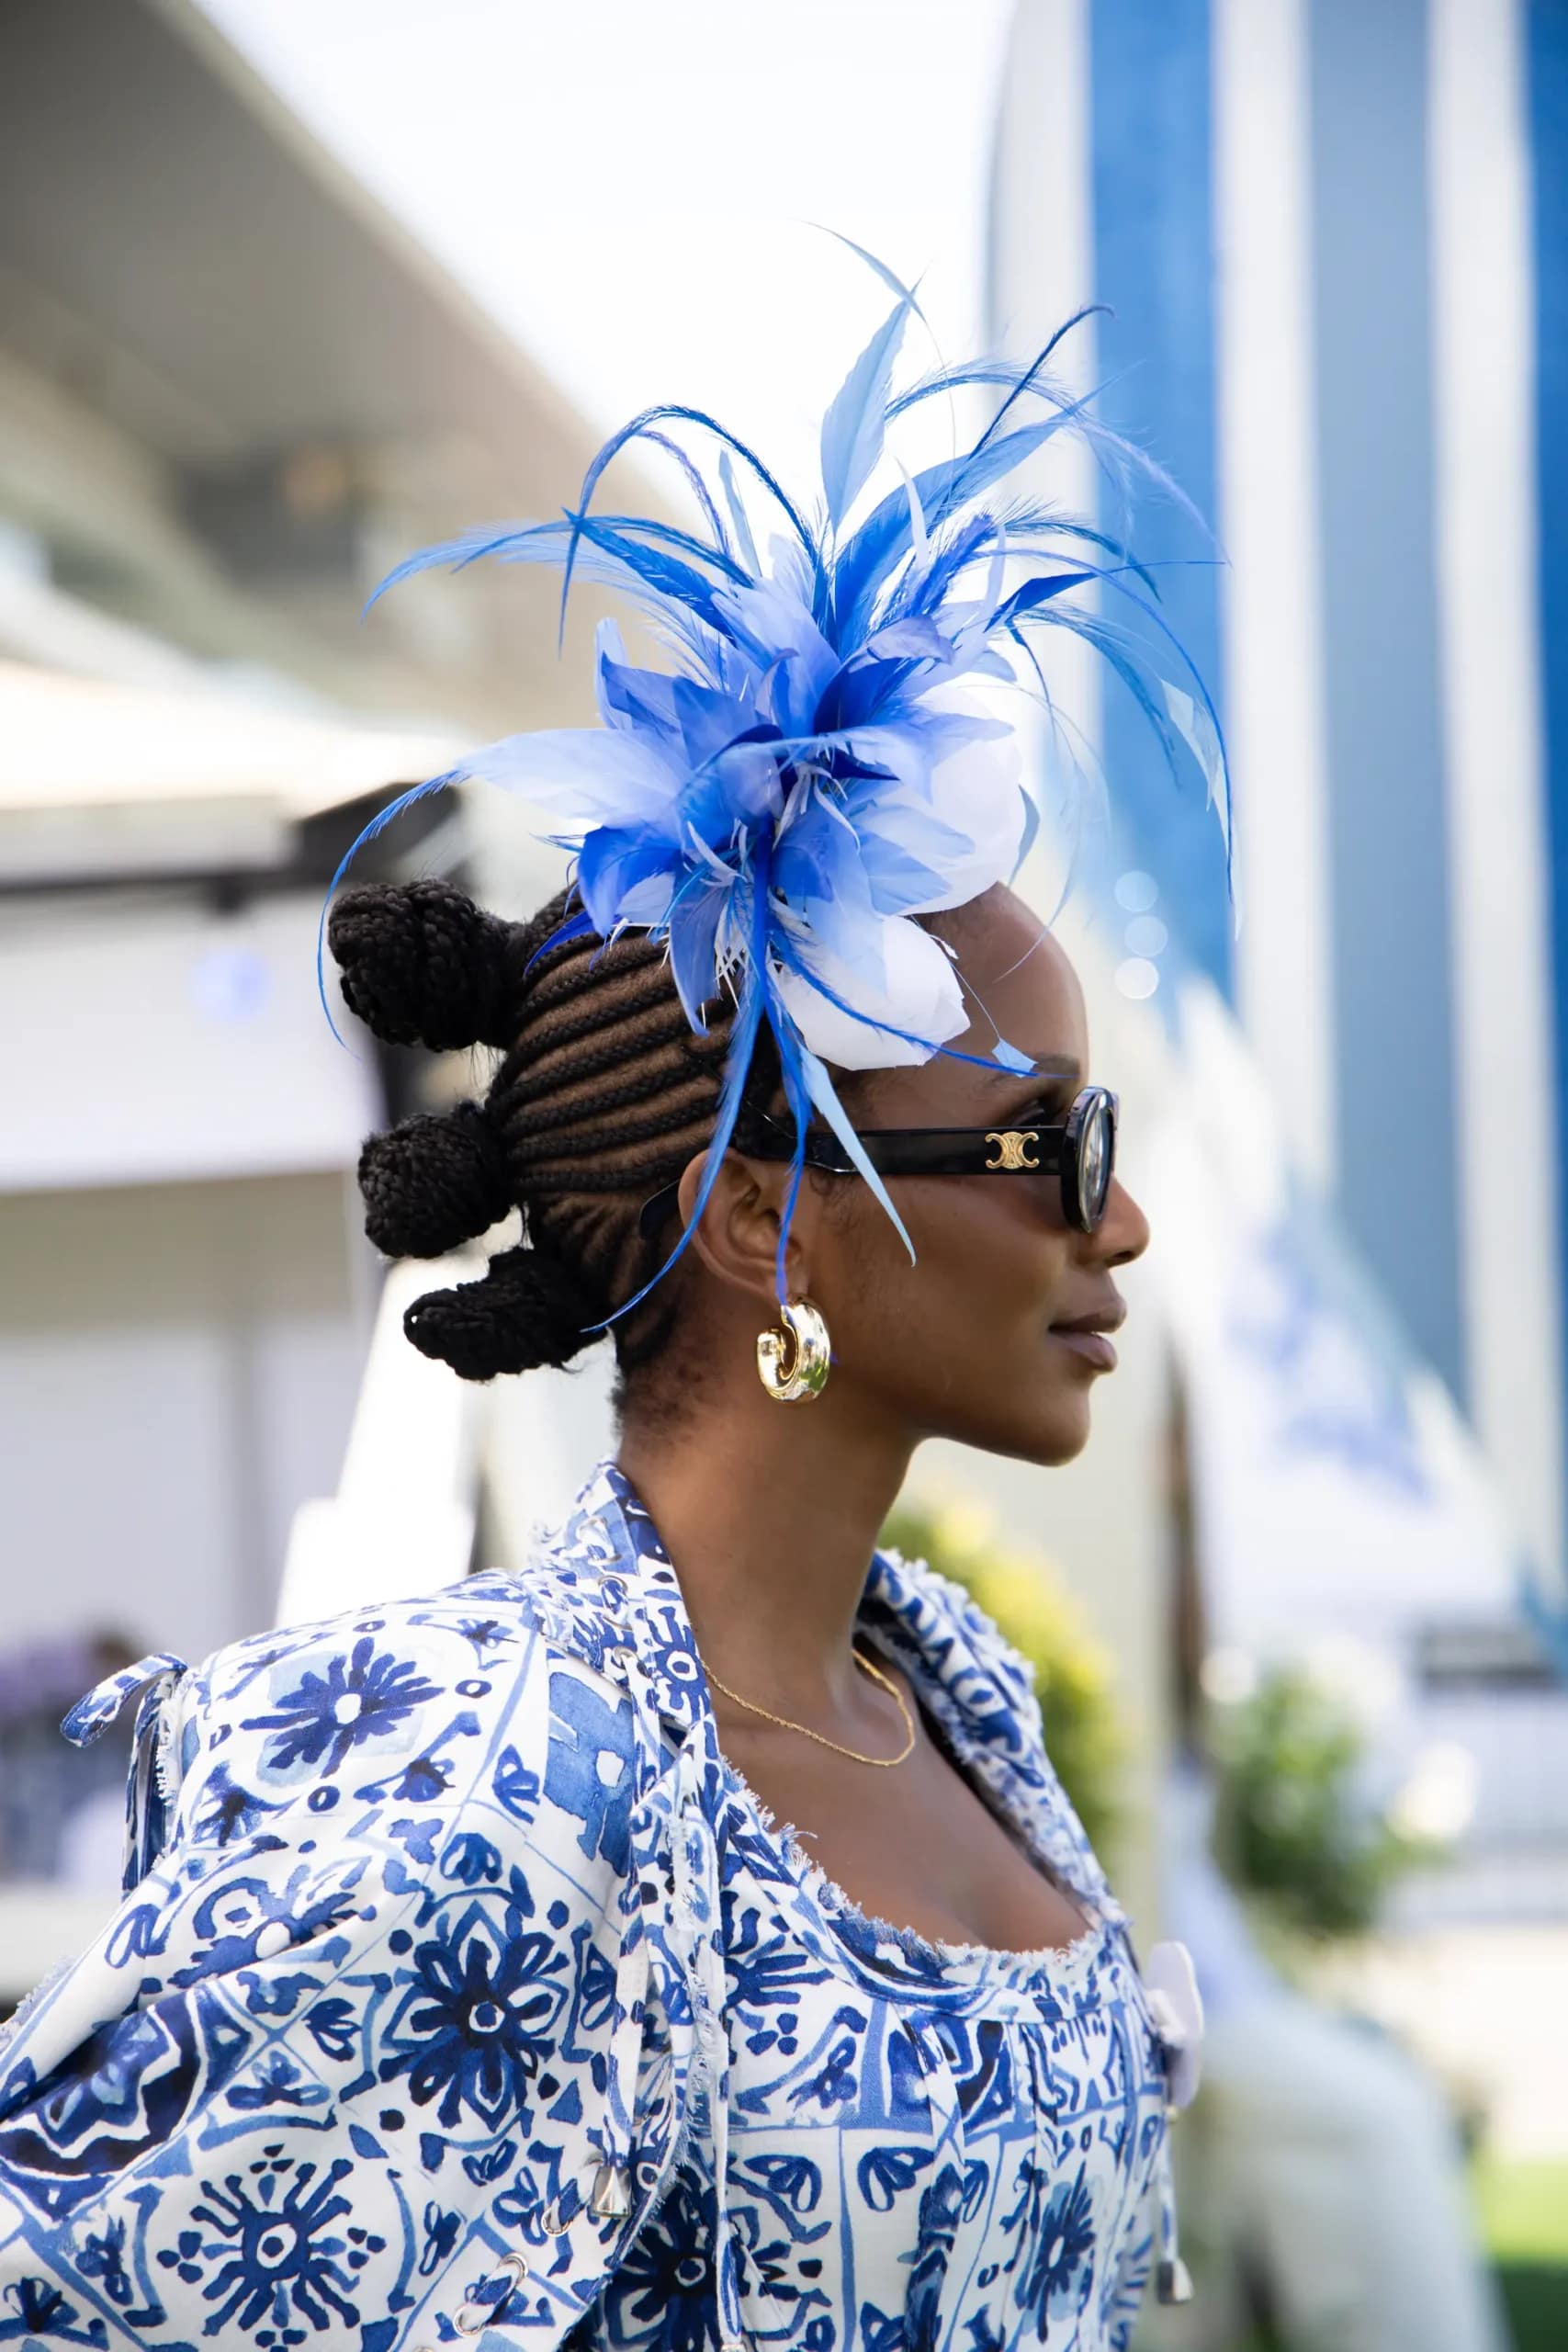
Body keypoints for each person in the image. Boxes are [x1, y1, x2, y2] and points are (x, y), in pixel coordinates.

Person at [0, 256, 1223, 2350]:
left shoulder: (954, 1698)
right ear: (764, 1223)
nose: (1116, 1226)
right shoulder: (485, 1779)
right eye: (1051, 1145)